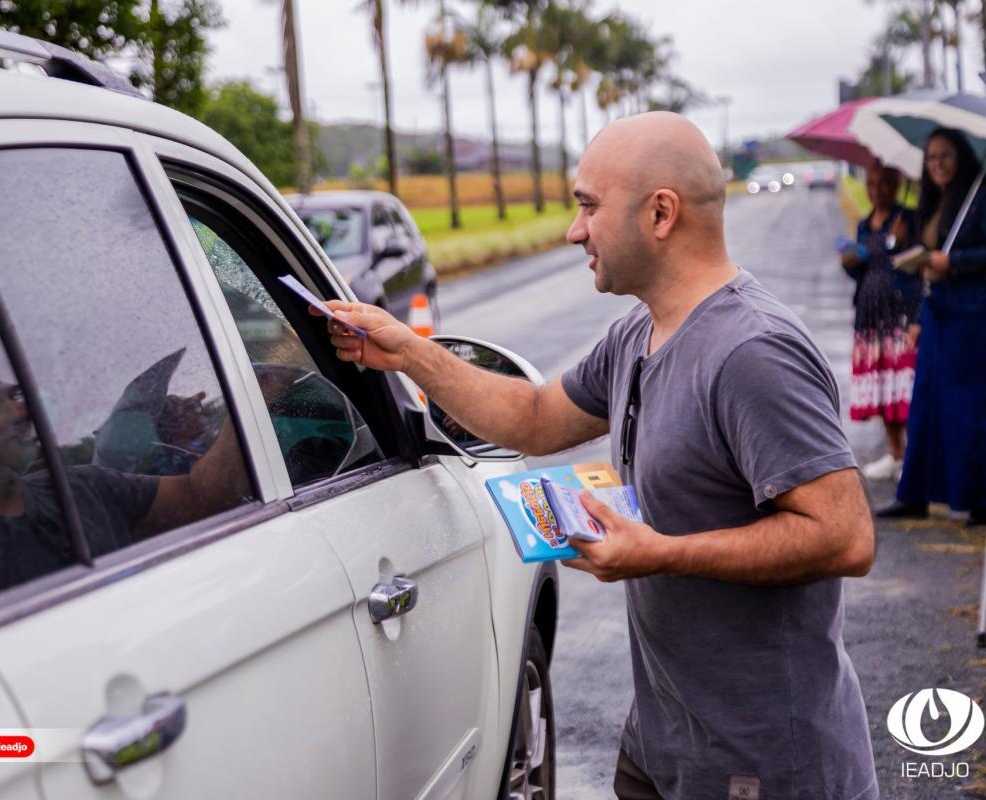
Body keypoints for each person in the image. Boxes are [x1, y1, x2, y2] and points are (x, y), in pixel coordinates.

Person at [316, 113, 878, 799]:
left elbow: (844, 536)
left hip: (761, 764)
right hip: (662, 743)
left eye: (588, 206)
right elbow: (533, 419)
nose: (574, 231)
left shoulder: (752, 352)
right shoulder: (639, 332)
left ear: (661, 214)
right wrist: (408, 352)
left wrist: (660, 553)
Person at [0, 367, 249, 622]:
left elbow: (202, 495)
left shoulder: (84, 487)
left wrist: (253, 394)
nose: (26, 410)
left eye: (14, 394)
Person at [878, 128, 986, 523]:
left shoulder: (982, 199)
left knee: (971, 407)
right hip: (938, 315)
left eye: (945, 156)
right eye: (931, 157)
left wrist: (954, 262)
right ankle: (915, 495)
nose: (937, 164)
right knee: (926, 405)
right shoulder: (934, 201)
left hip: (972, 317)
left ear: (962, 157)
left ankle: (982, 501)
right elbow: (929, 270)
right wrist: (921, 318)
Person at [841, 163, 920, 480]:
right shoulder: (864, 224)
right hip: (870, 316)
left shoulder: (909, 219)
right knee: (883, 386)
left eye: (885, 183)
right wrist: (849, 262)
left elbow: (916, 265)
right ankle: (896, 454)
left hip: (900, 314)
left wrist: (903, 242)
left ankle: (914, 459)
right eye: (872, 183)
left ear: (897, 185)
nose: (877, 190)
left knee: (904, 385)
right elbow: (861, 269)